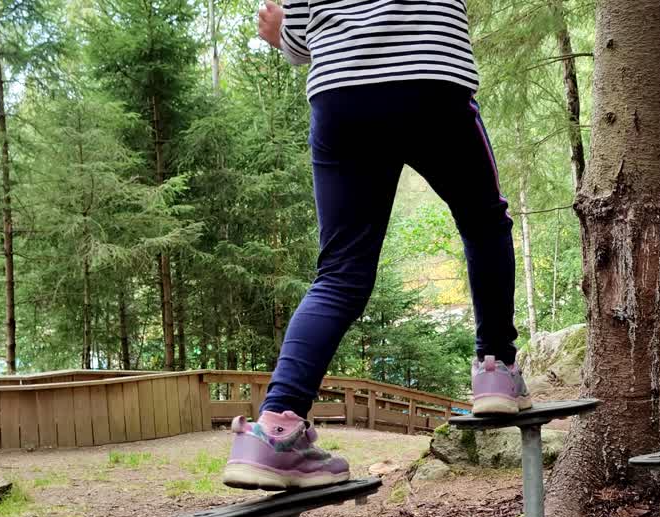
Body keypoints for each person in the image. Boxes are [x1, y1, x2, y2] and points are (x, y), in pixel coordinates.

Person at [224, 0, 532, 491]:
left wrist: (283, 32)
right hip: (430, 79)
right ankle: (495, 368)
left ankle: (275, 429)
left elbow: (300, 32)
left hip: (342, 92)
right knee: (484, 222)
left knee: (341, 273)